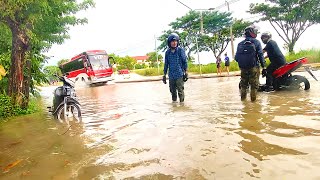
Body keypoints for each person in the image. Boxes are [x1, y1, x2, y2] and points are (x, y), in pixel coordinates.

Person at [235, 25, 267, 102]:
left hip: (243, 68)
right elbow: (260, 56)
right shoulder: (256, 42)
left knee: (243, 86)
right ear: (252, 32)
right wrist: (264, 67)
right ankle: (254, 104)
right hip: (254, 67)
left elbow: (236, 58)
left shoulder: (240, 44)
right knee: (254, 86)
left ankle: (243, 102)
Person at [162, 33, 188, 103]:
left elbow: (184, 61)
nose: (174, 43)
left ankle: (182, 105)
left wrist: (186, 72)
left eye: (176, 41)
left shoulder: (180, 50)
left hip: (179, 74)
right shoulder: (167, 53)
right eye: (173, 41)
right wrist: (164, 75)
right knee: (172, 91)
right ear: (169, 42)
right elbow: (166, 64)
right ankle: (174, 105)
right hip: (171, 75)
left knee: (180, 91)